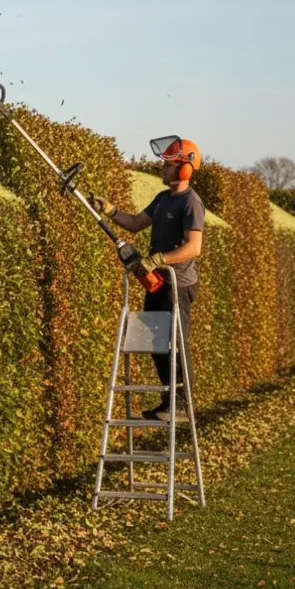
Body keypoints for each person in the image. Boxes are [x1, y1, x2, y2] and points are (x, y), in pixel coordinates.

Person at [89, 137, 205, 422]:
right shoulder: (162, 198)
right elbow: (136, 223)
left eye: (169, 165)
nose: (163, 169)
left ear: (185, 169)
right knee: (156, 341)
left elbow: (194, 247)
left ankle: (182, 402)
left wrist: (159, 259)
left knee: (176, 342)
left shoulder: (191, 203)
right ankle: (169, 401)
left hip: (178, 284)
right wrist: (110, 210)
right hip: (157, 281)